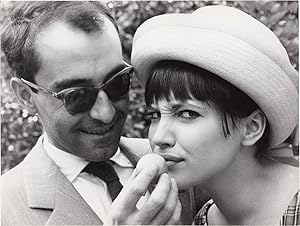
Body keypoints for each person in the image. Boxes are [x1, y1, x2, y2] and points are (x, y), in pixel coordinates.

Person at [1, 2, 182, 225]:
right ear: (26, 96)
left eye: (118, 82)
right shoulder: (6, 209)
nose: (105, 113)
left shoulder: (181, 161)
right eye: (78, 96)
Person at [131, 5, 299, 225]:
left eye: (188, 114)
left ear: (251, 127)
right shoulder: (202, 220)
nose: (159, 137)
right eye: (154, 115)